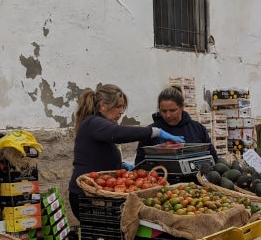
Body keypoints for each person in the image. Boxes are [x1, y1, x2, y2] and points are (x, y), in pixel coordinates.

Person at [67, 84, 184, 219]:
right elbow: (118, 133)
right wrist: (155, 132)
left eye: (123, 107)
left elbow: (97, 155)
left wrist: (120, 166)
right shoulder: (94, 122)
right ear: (103, 106)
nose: (121, 111)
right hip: (86, 196)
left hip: (96, 193)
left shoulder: (98, 124)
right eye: (118, 106)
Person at [134, 86, 218, 165]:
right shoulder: (151, 132)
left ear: (182, 107)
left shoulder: (198, 129)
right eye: (163, 111)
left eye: (172, 110)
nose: (168, 115)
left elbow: (213, 158)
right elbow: (140, 163)